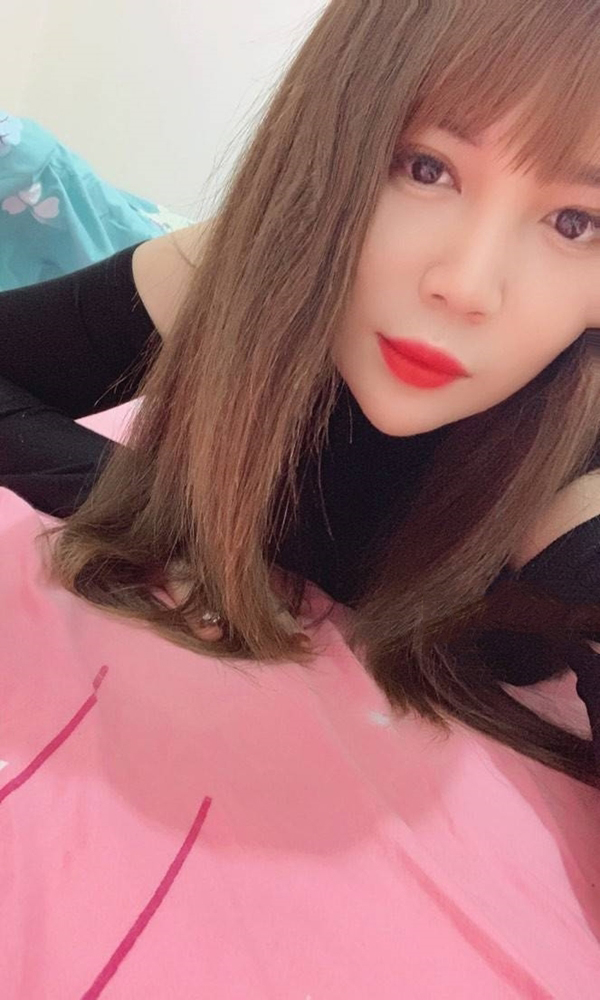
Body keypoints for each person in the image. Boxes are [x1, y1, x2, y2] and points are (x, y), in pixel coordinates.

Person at [3, 2, 600, 993]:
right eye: (425, 168)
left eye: (576, 222)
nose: (466, 284)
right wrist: (156, 506)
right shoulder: (238, 275)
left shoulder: (577, 472)